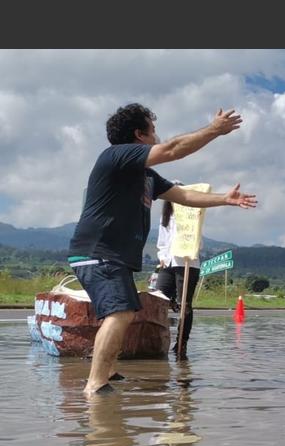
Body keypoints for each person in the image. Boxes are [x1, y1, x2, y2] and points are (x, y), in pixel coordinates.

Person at [67, 103, 257, 398]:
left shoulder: (147, 176)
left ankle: (109, 371)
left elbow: (182, 195)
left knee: (121, 312)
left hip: (113, 256)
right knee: (120, 312)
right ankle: (95, 384)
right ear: (139, 135)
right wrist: (214, 130)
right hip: (98, 251)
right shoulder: (117, 155)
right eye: (152, 130)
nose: (157, 135)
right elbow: (173, 149)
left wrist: (225, 199)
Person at [154, 185, 200, 359]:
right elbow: (162, 240)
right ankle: (159, 338)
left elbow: (197, 240)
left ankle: (182, 343)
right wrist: (162, 257)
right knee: (159, 298)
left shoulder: (193, 215)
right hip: (168, 262)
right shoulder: (165, 216)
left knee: (185, 305)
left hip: (188, 262)